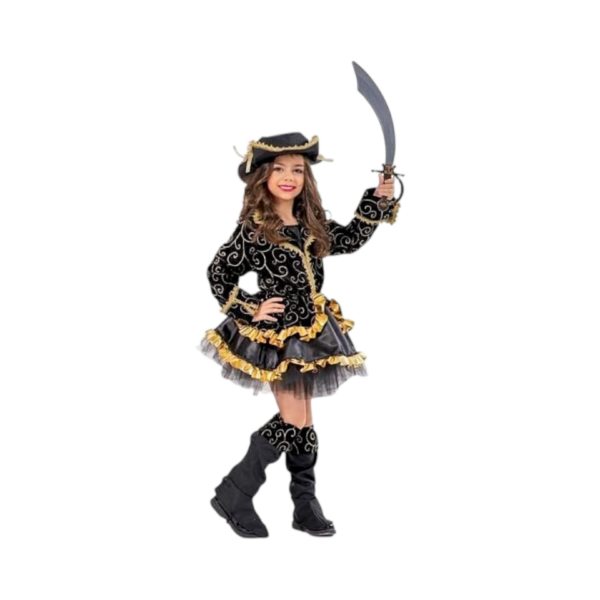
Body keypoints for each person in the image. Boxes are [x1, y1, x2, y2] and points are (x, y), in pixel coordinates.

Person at [198, 132, 400, 537]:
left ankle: (304, 505)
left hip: (311, 329)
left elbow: (348, 239)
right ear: (264, 177)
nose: (289, 177)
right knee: (293, 419)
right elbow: (219, 272)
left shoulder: (310, 224)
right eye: (279, 170)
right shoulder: (256, 229)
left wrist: (377, 201)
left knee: (303, 422)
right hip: (277, 335)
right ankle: (235, 490)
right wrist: (249, 307)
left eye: (297, 170)